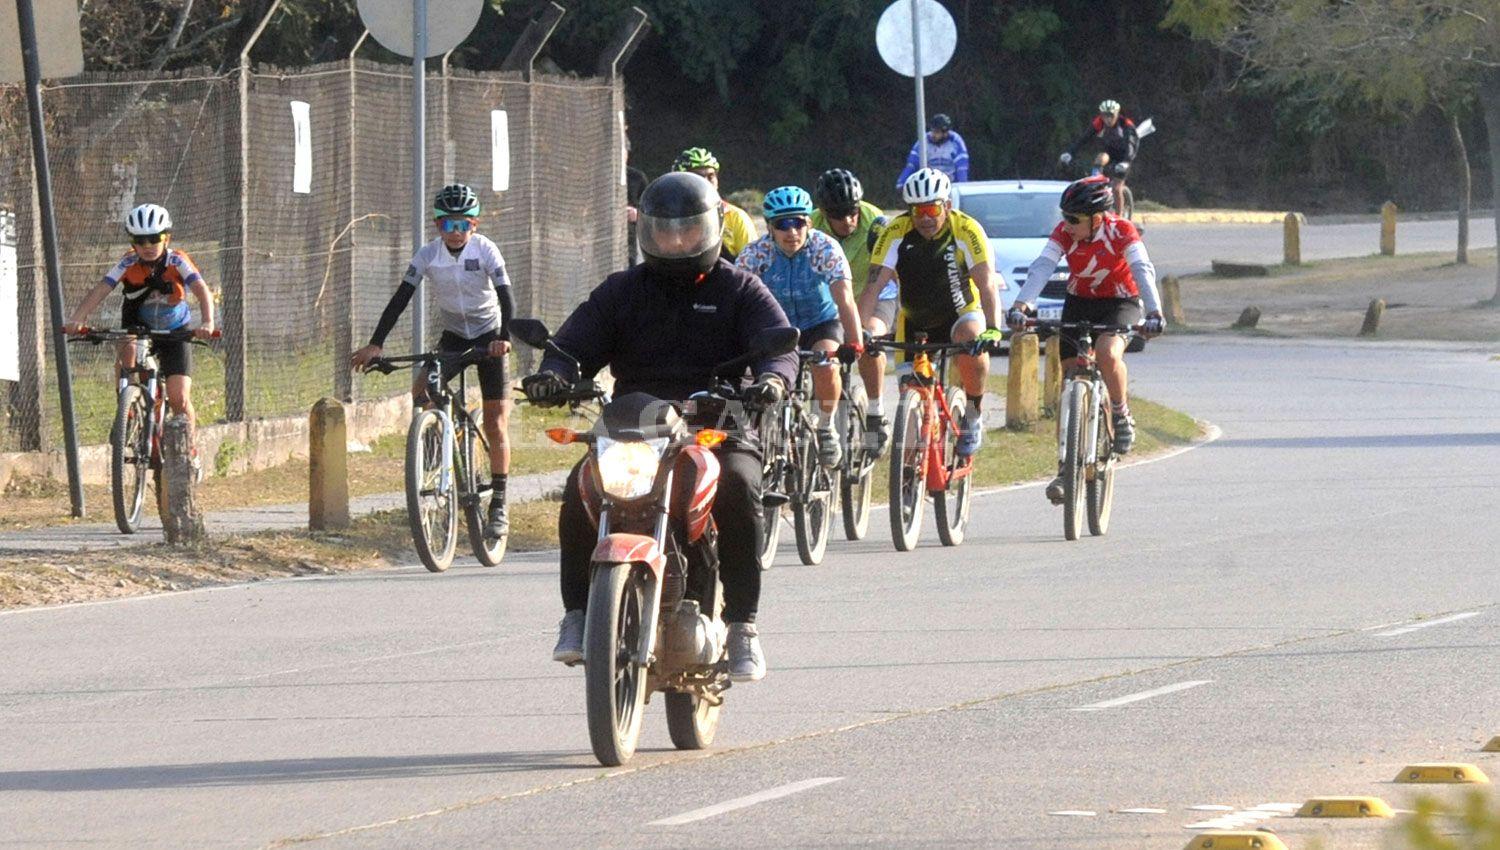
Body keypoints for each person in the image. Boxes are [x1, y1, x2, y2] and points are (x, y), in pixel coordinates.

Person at [522, 171, 797, 683]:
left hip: (717, 424)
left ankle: (742, 625)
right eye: (664, 231)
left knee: (738, 486)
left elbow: (778, 347)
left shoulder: (740, 288)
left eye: (687, 231)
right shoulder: (622, 291)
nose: (675, 241)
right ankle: (579, 613)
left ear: (712, 228)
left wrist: (773, 382)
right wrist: (552, 375)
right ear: (645, 232)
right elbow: (573, 344)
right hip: (635, 425)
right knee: (579, 489)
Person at [350, 183, 515, 539]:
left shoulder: (486, 250)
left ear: (475, 225)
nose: (455, 233)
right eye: (447, 226)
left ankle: (499, 503)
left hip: (489, 336)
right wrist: (375, 344)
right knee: (421, 388)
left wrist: (504, 339)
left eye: (462, 225)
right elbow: (400, 298)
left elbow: (506, 297)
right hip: (454, 336)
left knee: (495, 421)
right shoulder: (428, 255)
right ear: (437, 227)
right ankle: (436, 445)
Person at [1007, 175, 1165, 502]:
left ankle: (1120, 414)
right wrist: (1022, 304)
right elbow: (1042, 266)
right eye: (1063, 216)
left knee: (1107, 353)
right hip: (1080, 300)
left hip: (1120, 301)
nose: (1067, 224)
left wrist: (1154, 312)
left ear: (1097, 218)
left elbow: (1142, 270)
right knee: (1069, 381)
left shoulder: (1121, 231)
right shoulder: (1065, 233)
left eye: (1074, 219)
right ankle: (1066, 466)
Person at [858, 168, 1003, 457]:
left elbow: (986, 284)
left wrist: (993, 327)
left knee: (971, 342)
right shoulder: (896, 230)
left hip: (960, 314)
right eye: (916, 210)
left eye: (931, 208)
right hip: (915, 321)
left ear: (946, 206)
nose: (924, 217)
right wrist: (860, 332)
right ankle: (910, 477)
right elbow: (873, 285)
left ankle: (972, 415)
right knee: (908, 406)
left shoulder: (967, 229)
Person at [65, 203, 217, 466]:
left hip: (175, 330)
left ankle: (190, 450)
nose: (147, 245)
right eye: (139, 240)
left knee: (179, 396)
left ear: (166, 237)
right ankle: (126, 413)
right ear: (132, 242)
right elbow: (102, 289)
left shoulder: (177, 260)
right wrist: (79, 318)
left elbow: (202, 290)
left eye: (154, 238)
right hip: (139, 325)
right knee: (127, 349)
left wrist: (207, 321)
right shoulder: (127, 261)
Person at [736, 185, 862, 469]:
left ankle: (827, 426)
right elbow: (737, 304)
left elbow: (845, 300)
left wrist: (853, 343)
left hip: (821, 322)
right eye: (783, 224)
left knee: (826, 362)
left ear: (809, 223)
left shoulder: (825, 248)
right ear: (770, 227)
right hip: (778, 327)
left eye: (799, 222)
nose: (792, 232)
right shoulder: (755, 255)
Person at [810, 168, 897, 453]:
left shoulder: (876, 224)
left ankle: (876, 411)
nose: (847, 221)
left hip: (875, 292)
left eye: (852, 212)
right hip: (832, 299)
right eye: (838, 215)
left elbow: (895, 272)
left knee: (867, 338)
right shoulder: (810, 226)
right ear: (824, 212)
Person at [672, 146, 757, 258]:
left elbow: (753, 263)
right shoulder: (670, 219)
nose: (706, 182)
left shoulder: (736, 217)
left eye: (711, 176)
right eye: (697, 177)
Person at [1059, 99, 1139, 216]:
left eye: (1111, 115)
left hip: (1124, 156)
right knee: (1100, 158)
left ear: (1117, 114)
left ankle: (1119, 216)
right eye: (1104, 115)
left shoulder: (1126, 124)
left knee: (1116, 188)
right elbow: (1084, 138)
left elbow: (1131, 145)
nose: (1108, 119)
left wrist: (1126, 161)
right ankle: (1096, 182)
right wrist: (1070, 153)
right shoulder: (1099, 122)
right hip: (1110, 152)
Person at [895, 113, 970, 191]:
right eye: (932, 131)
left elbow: (962, 167)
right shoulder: (923, 141)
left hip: (950, 185)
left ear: (945, 133)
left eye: (937, 132)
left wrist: (962, 185)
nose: (933, 135)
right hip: (930, 187)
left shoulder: (956, 141)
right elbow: (912, 164)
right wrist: (902, 181)